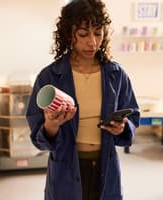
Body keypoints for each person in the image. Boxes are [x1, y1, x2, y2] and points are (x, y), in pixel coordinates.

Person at [25, 0, 140, 199]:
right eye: (83, 34)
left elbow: (133, 118)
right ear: (69, 34)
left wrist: (122, 127)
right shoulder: (50, 77)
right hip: (66, 170)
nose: (93, 42)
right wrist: (51, 126)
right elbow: (39, 138)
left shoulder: (116, 74)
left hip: (106, 168)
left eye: (98, 32)